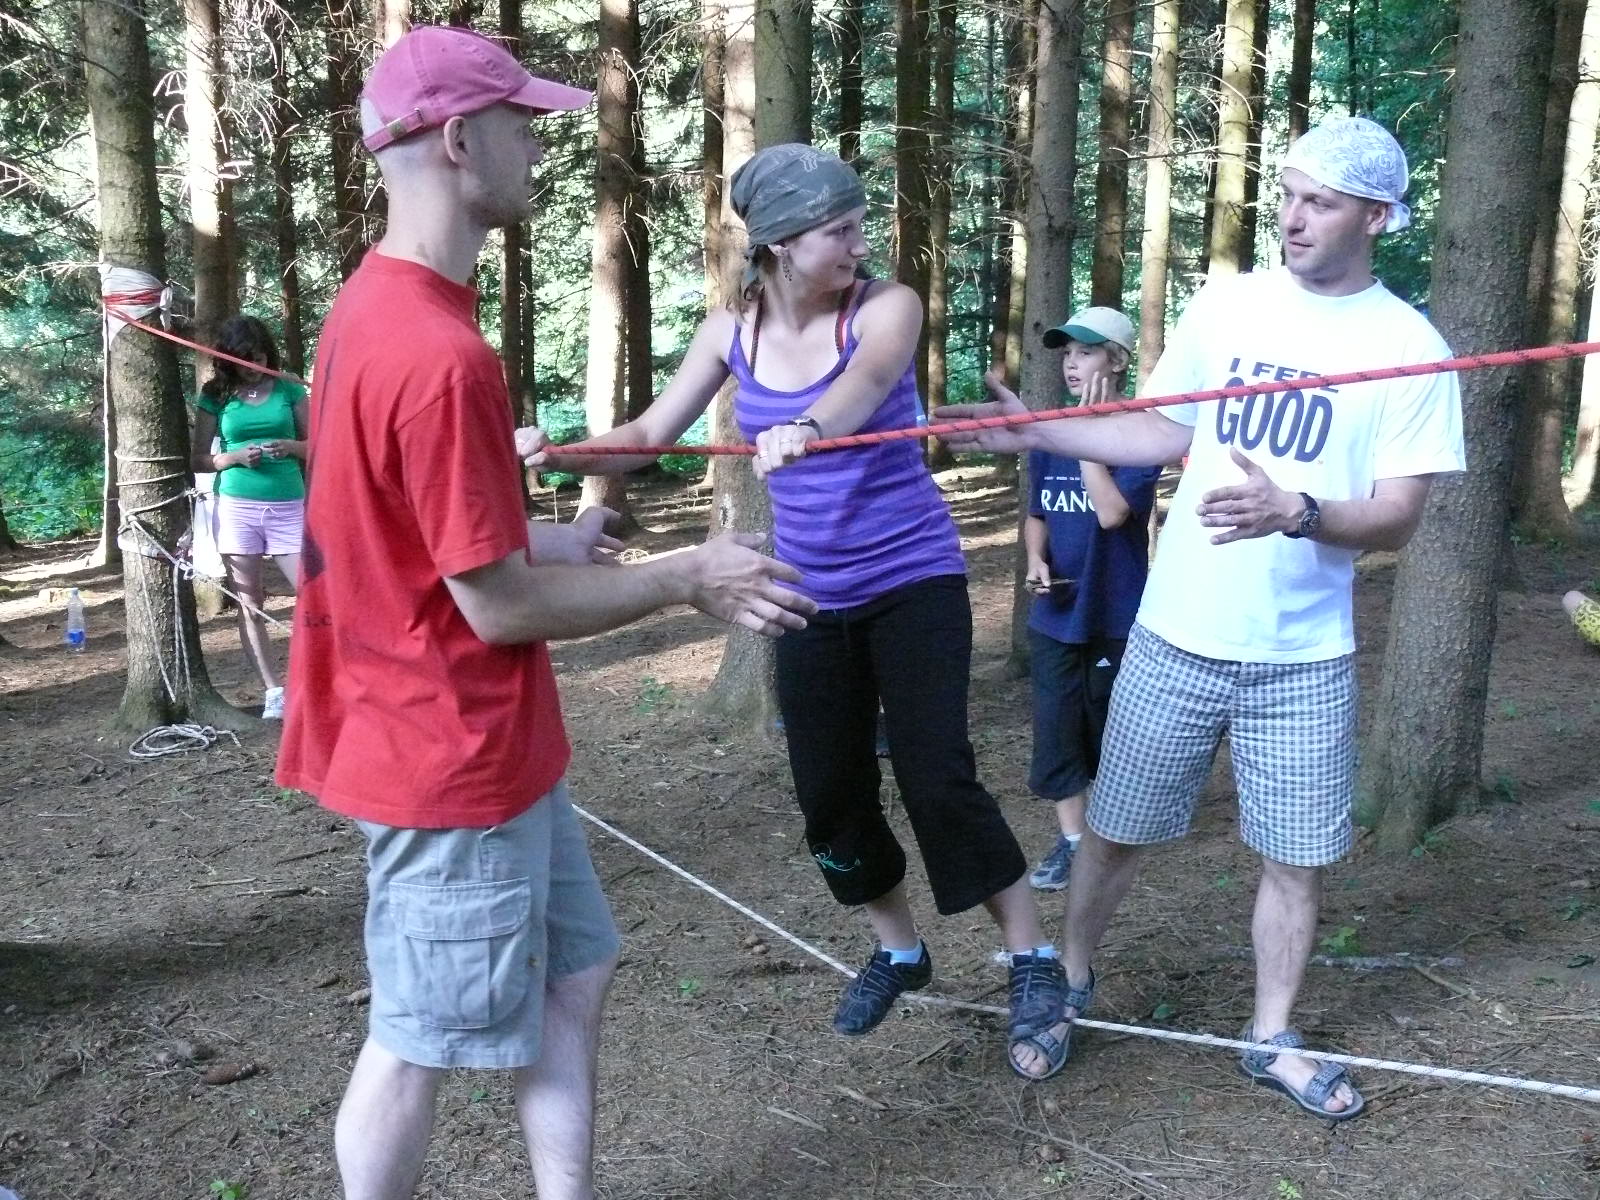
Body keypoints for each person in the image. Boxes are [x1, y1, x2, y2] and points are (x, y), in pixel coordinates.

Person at [274, 28, 816, 1200]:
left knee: (575, 972)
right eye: (519, 123)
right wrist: (685, 577)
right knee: (416, 1040)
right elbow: (498, 609)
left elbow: (414, 535)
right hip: (444, 756)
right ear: (457, 142)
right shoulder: (436, 351)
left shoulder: (376, 307)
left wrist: (547, 538)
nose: (537, 143)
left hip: (487, 748)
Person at [936, 116, 1465, 1112]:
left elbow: (1398, 515)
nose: (1292, 217)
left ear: (1375, 216)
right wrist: (1037, 432)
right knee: (1112, 832)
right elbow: (1155, 430)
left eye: (1319, 202)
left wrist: (1297, 511)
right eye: (1289, 194)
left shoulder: (1411, 348)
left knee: (1295, 861)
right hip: (1176, 634)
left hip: (1304, 657)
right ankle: (1071, 985)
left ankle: (1271, 1036)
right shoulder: (1230, 305)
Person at [520, 143, 1072, 1081]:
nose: (861, 244)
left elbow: (864, 387)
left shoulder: (885, 306)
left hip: (914, 580)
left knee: (939, 778)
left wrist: (809, 428)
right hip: (810, 595)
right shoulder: (728, 332)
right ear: (779, 242)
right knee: (828, 792)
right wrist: (559, 455)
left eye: (859, 225)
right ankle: (899, 949)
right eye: (839, 231)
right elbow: (648, 437)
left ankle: (1032, 959)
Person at [1020, 307, 1161, 892]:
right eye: (1067, 354)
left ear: (1118, 361)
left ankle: (1111, 837)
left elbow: (1110, 513)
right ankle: (1074, 840)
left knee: (1111, 728)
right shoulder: (1050, 430)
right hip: (1054, 614)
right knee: (1056, 729)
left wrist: (1085, 437)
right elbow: (1037, 512)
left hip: (1114, 612)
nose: (1071, 364)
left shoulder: (1143, 433)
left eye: (1085, 352)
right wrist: (1035, 560)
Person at [189, 315, 306, 719]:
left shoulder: (288, 386)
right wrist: (234, 457)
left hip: (289, 504)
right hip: (237, 507)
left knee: (312, 592)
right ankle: (274, 691)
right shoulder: (215, 394)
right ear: (228, 359)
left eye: (258, 357)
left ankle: (312, 679)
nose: (252, 366)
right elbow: (199, 459)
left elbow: (319, 444)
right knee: (249, 599)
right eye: (243, 359)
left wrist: (290, 446)